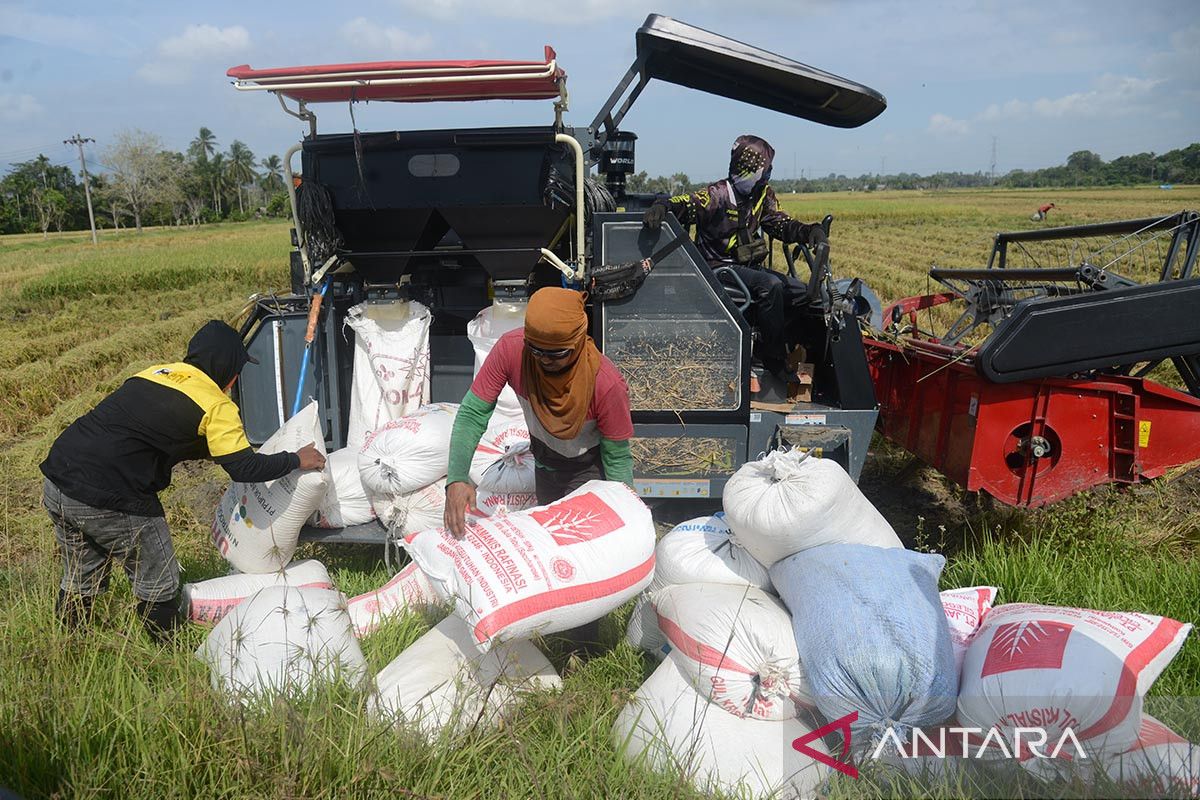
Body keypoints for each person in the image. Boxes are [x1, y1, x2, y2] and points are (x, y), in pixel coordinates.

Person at [40, 320, 326, 642]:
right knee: (159, 578)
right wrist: (295, 460)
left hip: (58, 480)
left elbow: (157, 430)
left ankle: (68, 645)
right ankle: (166, 654)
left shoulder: (155, 373)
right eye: (236, 372)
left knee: (82, 573)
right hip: (111, 494)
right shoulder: (217, 405)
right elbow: (243, 468)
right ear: (228, 369)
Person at [443, 287, 635, 651]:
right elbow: (472, 413)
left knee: (585, 558)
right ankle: (554, 635)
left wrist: (625, 513)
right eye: (537, 350)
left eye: (557, 354)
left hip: (589, 472)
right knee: (551, 553)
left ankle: (585, 650)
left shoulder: (605, 385)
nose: (544, 361)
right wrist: (456, 478)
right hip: (546, 463)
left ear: (579, 341)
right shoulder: (512, 350)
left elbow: (618, 458)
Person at [642, 134, 828, 381]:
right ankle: (773, 358)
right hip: (719, 270)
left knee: (802, 293)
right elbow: (684, 203)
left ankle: (785, 346)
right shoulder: (717, 194)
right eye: (765, 171)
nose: (767, 177)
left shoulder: (763, 195)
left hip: (748, 268)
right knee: (770, 286)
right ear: (750, 170)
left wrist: (809, 231)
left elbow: (781, 224)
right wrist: (662, 206)